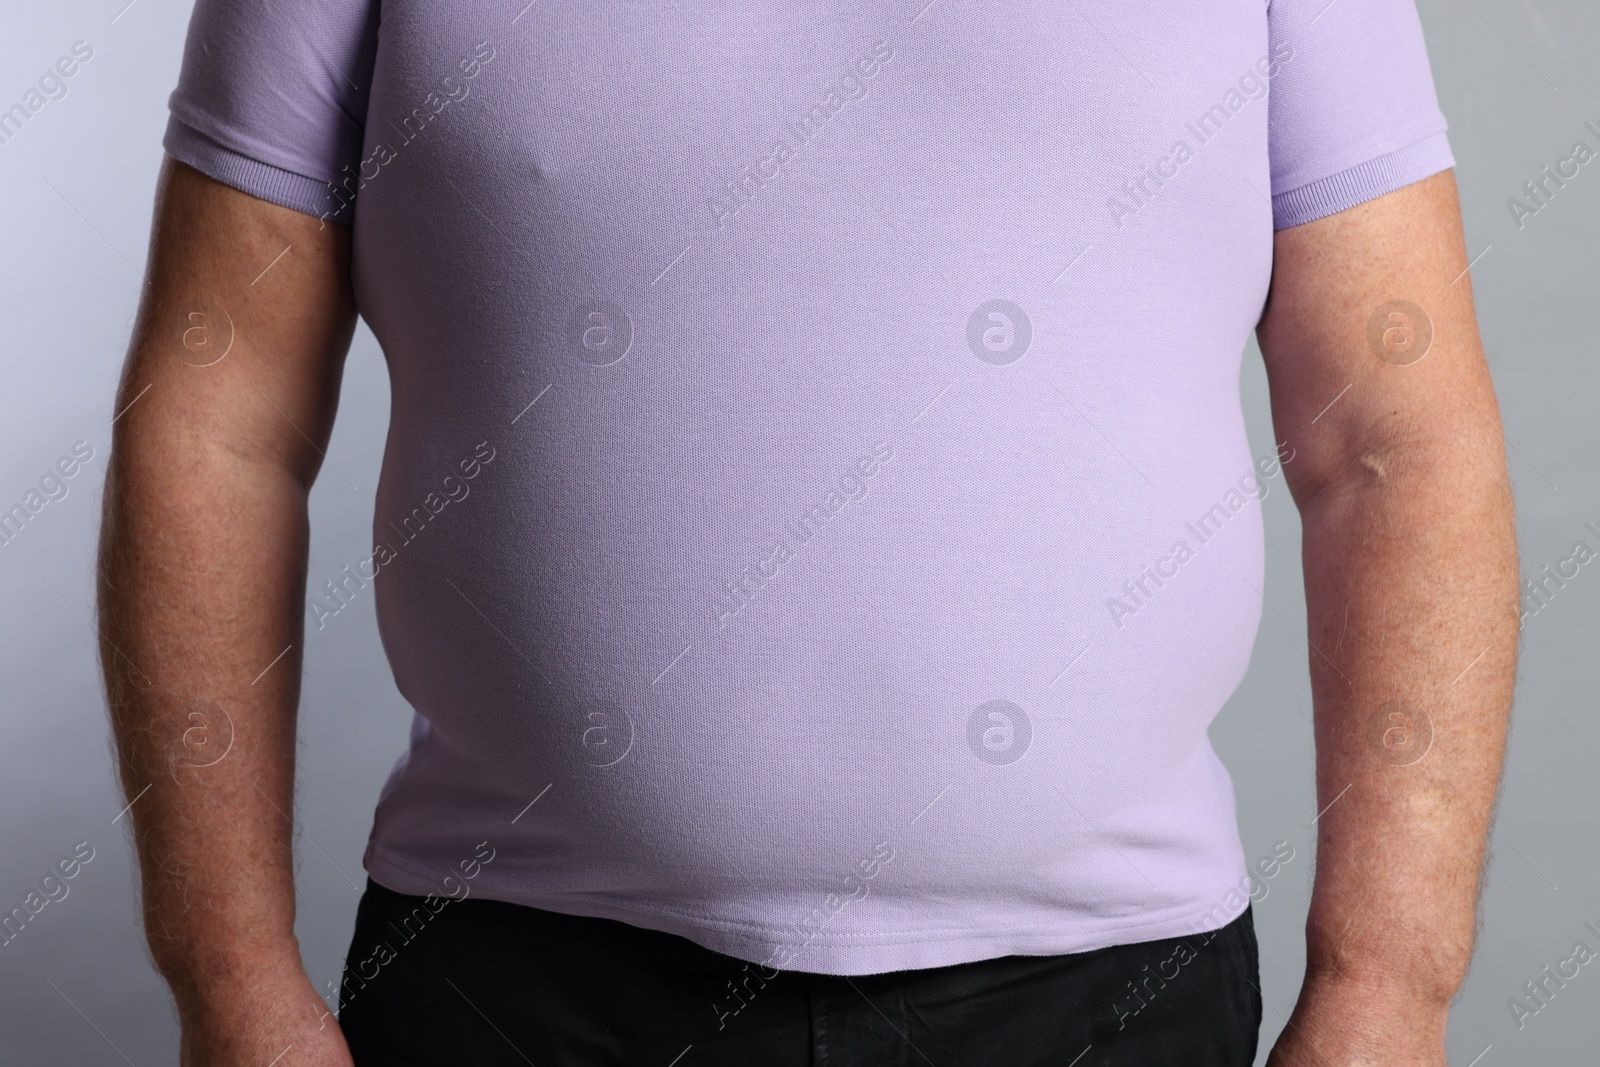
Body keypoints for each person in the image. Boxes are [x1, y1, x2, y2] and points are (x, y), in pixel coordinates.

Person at [96, 0, 1518, 1063]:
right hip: (515, 987)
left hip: (1111, 996)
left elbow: (1394, 446)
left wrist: (1389, 984)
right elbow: (215, 426)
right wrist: (228, 977)